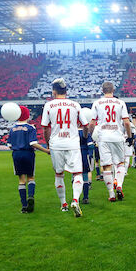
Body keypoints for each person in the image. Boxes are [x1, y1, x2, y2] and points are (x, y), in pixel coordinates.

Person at [41, 78, 89, 217]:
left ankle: (63, 204)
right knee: (77, 174)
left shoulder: (49, 106)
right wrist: (84, 138)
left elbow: (45, 128)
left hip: (56, 143)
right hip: (72, 143)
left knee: (59, 174)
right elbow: (85, 125)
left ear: (54, 91)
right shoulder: (75, 105)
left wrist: (49, 144)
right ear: (66, 91)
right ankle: (75, 200)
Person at [89, 81, 132, 203]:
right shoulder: (120, 103)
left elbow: (92, 122)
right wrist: (129, 136)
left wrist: (90, 136)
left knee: (106, 166)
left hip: (103, 137)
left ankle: (111, 194)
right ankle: (119, 185)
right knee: (120, 163)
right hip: (117, 136)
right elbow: (127, 122)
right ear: (113, 90)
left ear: (102, 90)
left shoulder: (97, 103)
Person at [8, 105, 50, 213]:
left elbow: (9, 145)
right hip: (28, 154)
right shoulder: (31, 128)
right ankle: (30, 196)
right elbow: (33, 143)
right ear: (27, 115)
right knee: (30, 177)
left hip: (16, 154)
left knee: (21, 180)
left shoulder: (12, 129)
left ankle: (24, 206)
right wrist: (46, 151)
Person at [79, 127, 93, 204]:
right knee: (85, 177)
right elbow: (90, 145)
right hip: (83, 155)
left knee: (75, 176)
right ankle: (85, 197)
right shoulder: (86, 132)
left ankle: (76, 197)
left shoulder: (72, 132)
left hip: (73, 156)